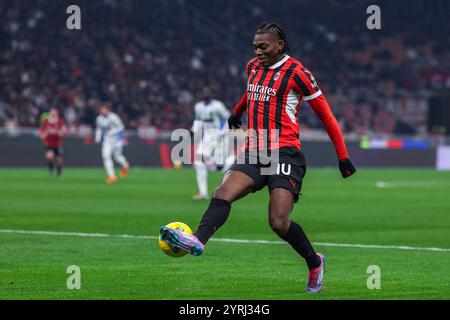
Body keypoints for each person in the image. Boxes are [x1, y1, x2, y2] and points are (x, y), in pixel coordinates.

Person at [160, 23, 356, 294]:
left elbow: (327, 116)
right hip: (257, 148)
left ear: (279, 46)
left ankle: (314, 262)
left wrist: (343, 157)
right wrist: (236, 113)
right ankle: (198, 239)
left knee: (278, 222)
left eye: (263, 47)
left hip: (286, 150)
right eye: (255, 47)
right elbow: (251, 92)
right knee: (223, 192)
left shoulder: (298, 73)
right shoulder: (252, 66)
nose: (258, 51)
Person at [191, 87, 235, 200]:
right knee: (198, 162)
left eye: (208, 92)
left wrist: (223, 132)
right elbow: (198, 120)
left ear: (212, 94)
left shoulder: (218, 105)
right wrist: (193, 130)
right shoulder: (198, 106)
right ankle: (203, 193)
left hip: (220, 136)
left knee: (221, 168)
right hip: (207, 137)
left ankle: (233, 163)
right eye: (204, 92)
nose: (206, 94)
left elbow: (228, 118)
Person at [95, 104, 130, 184]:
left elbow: (121, 127)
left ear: (108, 110)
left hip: (116, 139)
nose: (102, 111)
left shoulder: (113, 117)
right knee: (106, 156)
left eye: (104, 110)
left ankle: (126, 166)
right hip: (106, 140)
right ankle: (112, 176)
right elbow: (99, 128)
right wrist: (97, 138)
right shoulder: (99, 118)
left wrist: (112, 132)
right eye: (101, 110)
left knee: (117, 157)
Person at [39, 107, 67, 177]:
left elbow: (64, 130)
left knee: (59, 160)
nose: (53, 113)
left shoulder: (59, 121)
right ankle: (50, 170)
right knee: (49, 156)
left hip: (57, 143)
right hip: (48, 143)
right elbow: (42, 133)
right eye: (52, 111)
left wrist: (60, 133)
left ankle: (59, 171)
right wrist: (46, 133)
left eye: (55, 111)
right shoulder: (46, 121)